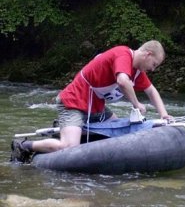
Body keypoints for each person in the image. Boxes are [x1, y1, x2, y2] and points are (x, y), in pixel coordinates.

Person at [11, 40, 172, 162]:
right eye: (154, 64)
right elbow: (123, 81)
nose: (153, 69)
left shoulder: (137, 71)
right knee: (68, 147)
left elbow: (151, 91)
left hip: (96, 108)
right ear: (148, 54)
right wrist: (136, 104)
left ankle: (69, 128)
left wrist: (164, 115)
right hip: (73, 103)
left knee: (119, 130)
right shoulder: (123, 54)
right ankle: (24, 146)